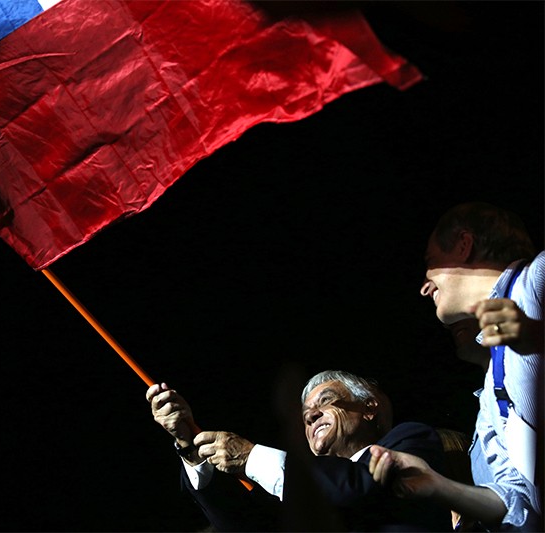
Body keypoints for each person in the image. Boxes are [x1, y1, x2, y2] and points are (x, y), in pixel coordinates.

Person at [371, 201, 543, 531]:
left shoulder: (537, 276)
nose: (425, 287)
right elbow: (516, 502)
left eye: (430, 263)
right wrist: (437, 485)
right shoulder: (492, 392)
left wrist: (537, 335)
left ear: (464, 246)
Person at [147, 369, 452, 531]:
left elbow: (358, 486)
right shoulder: (296, 495)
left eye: (326, 401)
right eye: (305, 414)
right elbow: (246, 524)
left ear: (369, 408)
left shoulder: (412, 439)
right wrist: (190, 447)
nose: (310, 416)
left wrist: (250, 456)